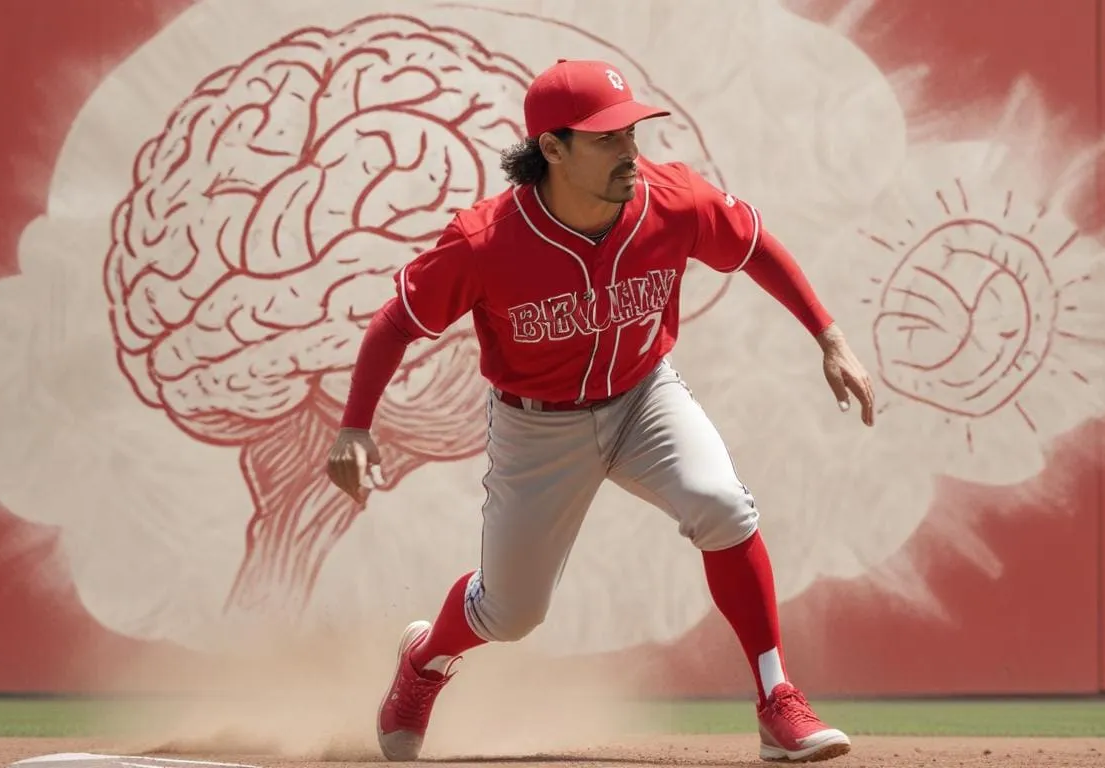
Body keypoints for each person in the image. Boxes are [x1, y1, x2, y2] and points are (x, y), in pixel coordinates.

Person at [325, 58, 876, 763]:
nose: (629, 149)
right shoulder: (486, 241)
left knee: (722, 505)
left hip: (644, 397)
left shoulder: (672, 200)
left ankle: (777, 702)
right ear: (551, 149)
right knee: (511, 613)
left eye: (631, 131)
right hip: (537, 426)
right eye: (607, 137)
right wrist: (355, 427)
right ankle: (425, 661)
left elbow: (753, 245)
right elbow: (396, 321)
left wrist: (828, 337)